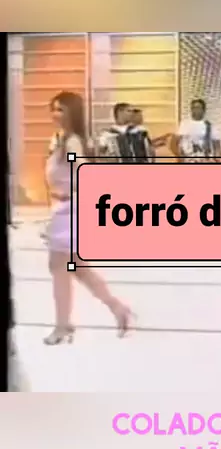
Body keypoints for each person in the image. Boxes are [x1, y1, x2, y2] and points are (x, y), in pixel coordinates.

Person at [44, 91, 133, 345]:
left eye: (61, 109)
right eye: (53, 108)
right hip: (63, 210)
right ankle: (118, 309)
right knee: (77, 268)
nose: (55, 114)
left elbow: (80, 168)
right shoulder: (61, 140)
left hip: (70, 212)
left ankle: (63, 325)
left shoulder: (72, 143)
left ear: (72, 113)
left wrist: (73, 189)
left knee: (60, 267)